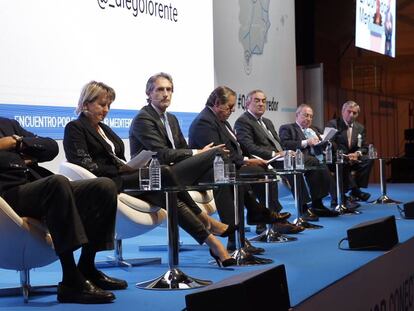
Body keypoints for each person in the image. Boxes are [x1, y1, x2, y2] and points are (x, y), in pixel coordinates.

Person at [63, 81, 235, 267]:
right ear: (86, 103)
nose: (106, 110)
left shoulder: (104, 129)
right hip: (106, 183)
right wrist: (122, 168)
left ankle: (213, 243)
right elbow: (86, 164)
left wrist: (129, 166)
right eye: (101, 104)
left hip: (124, 178)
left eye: (109, 105)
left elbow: (118, 157)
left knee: (169, 196)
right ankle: (205, 220)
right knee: (164, 172)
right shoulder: (75, 128)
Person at [129, 73, 289, 253]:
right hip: (157, 177)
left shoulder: (171, 119)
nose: (166, 94)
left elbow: (181, 148)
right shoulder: (144, 118)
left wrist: (199, 155)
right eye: (160, 89)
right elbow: (163, 154)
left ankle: (235, 238)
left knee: (222, 173)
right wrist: (200, 153)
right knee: (217, 154)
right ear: (149, 93)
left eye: (169, 89)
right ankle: (254, 211)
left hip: (177, 172)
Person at [0, 117, 124, 304]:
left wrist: (17, 142)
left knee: (104, 187)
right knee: (57, 184)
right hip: (8, 194)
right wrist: (19, 157)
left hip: (34, 184)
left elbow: (50, 147)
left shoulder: (8, 124)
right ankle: (70, 279)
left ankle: (87, 267)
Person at [188, 86, 302, 239]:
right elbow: (218, 154)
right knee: (243, 175)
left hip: (227, 167)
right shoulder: (204, 121)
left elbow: (237, 147)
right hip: (210, 172)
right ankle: (250, 225)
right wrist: (247, 161)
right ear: (216, 103)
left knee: (261, 170)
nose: (233, 110)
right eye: (229, 106)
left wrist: (251, 159)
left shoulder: (221, 121)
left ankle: (259, 217)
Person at [234, 90, 320, 225]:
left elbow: (277, 143)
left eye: (263, 101)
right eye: (257, 100)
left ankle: (309, 205)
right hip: (262, 159)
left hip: (278, 157)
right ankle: (281, 215)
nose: (261, 104)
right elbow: (249, 147)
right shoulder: (243, 121)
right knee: (291, 164)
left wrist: (285, 152)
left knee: (307, 162)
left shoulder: (267, 121)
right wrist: (275, 154)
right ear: (247, 103)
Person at [278, 104, 339, 216]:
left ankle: (319, 204)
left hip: (318, 159)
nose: (309, 119)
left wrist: (326, 142)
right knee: (319, 166)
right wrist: (307, 142)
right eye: (306, 115)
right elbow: (285, 143)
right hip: (299, 160)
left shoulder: (314, 129)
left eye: (311, 116)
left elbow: (331, 143)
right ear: (297, 115)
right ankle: (312, 206)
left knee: (326, 166)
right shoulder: (287, 128)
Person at [326, 100, 373, 202]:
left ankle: (356, 189)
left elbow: (364, 146)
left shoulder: (360, 127)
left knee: (368, 159)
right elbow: (329, 144)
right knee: (343, 161)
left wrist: (357, 153)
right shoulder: (333, 124)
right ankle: (355, 191)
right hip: (336, 158)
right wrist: (345, 155)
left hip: (353, 157)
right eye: (349, 111)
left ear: (357, 114)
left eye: (354, 113)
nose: (351, 115)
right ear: (343, 111)